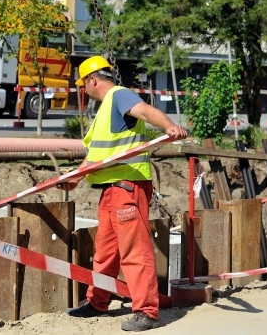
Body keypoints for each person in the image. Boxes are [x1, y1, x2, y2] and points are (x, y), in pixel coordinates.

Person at [58, 56, 188, 332]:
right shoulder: (106, 110)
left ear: (92, 79)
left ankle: (147, 312)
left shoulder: (119, 96)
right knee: (104, 252)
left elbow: (145, 111)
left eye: (83, 84)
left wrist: (168, 126)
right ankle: (97, 301)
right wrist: (76, 179)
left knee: (134, 251)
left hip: (127, 187)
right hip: (111, 190)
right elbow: (97, 157)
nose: (84, 90)